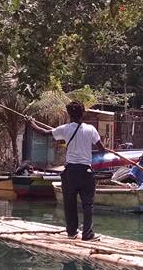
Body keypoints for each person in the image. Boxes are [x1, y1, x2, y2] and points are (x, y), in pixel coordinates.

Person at [28, 101, 106, 240]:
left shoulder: (64, 129)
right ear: (83, 113)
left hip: (70, 172)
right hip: (85, 172)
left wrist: (31, 123)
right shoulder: (91, 129)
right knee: (87, 204)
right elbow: (102, 149)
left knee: (69, 203)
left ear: (69, 114)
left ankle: (71, 232)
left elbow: (45, 133)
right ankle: (87, 234)